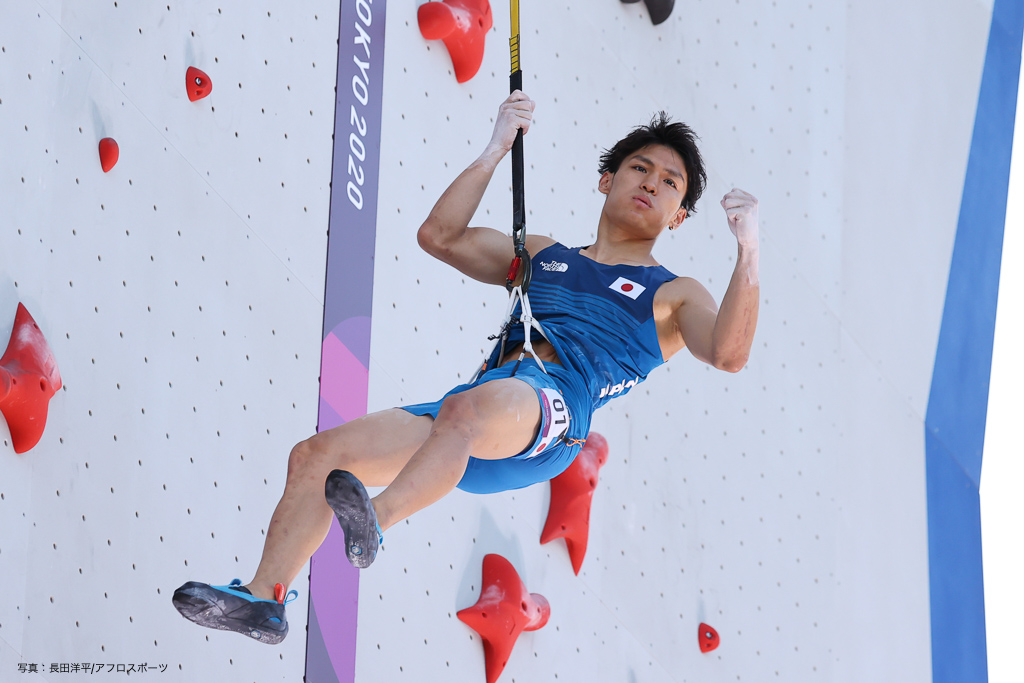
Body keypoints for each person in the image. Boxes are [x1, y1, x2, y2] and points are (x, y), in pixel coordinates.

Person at [172, 91, 760, 643]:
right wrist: (496, 147)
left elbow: (729, 354)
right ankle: (264, 598)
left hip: (552, 414)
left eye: (670, 183)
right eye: (640, 168)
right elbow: (440, 236)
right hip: (473, 417)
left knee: (465, 411)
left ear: (679, 217)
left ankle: (375, 522)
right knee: (315, 456)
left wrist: (748, 252)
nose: (651, 183)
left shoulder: (673, 293)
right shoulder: (543, 255)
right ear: (607, 179)